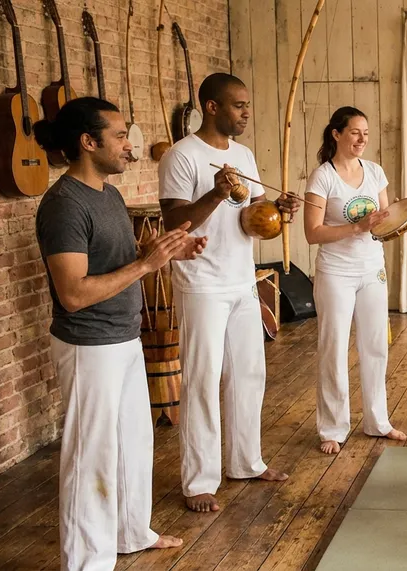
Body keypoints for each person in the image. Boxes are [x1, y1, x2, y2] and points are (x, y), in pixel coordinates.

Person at [34, 97, 196, 568]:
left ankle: (129, 532)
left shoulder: (108, 194)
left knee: (133, 445)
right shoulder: (64, 205)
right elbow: (73, 293)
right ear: (89, 142)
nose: (130, 146)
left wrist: (165, 252)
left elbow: (117, 263)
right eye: (121, 136)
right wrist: (147, 263)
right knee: (92, 458)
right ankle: (86, 562)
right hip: (89, 345)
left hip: (123, 337)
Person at [159, 73, 296, 513]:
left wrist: (279, 210)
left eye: (247, 105)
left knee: (250, 374)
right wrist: (216, 194)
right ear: (212, 107)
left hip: (242, 279)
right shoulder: (182, 157)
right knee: (202, 380)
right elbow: (175, 224)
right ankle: (199, 481)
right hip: (201, 283)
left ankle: (245, 461)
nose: (245, 112)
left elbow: (251, 216)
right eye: (238, 105)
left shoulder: (244, 154)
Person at [303, 106, 407, 455]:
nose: (362, 139)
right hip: (335, 272)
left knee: (375, 344)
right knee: (333, 347)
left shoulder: (375, 171)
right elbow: (312, 233)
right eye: (354, 132)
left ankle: (378, 421)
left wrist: (396, 221)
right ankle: (332, 427)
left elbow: (385, 219)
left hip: (371, 268)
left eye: (365, 133)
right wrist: (357, 227)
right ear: (336, 134)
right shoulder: (323, 177)